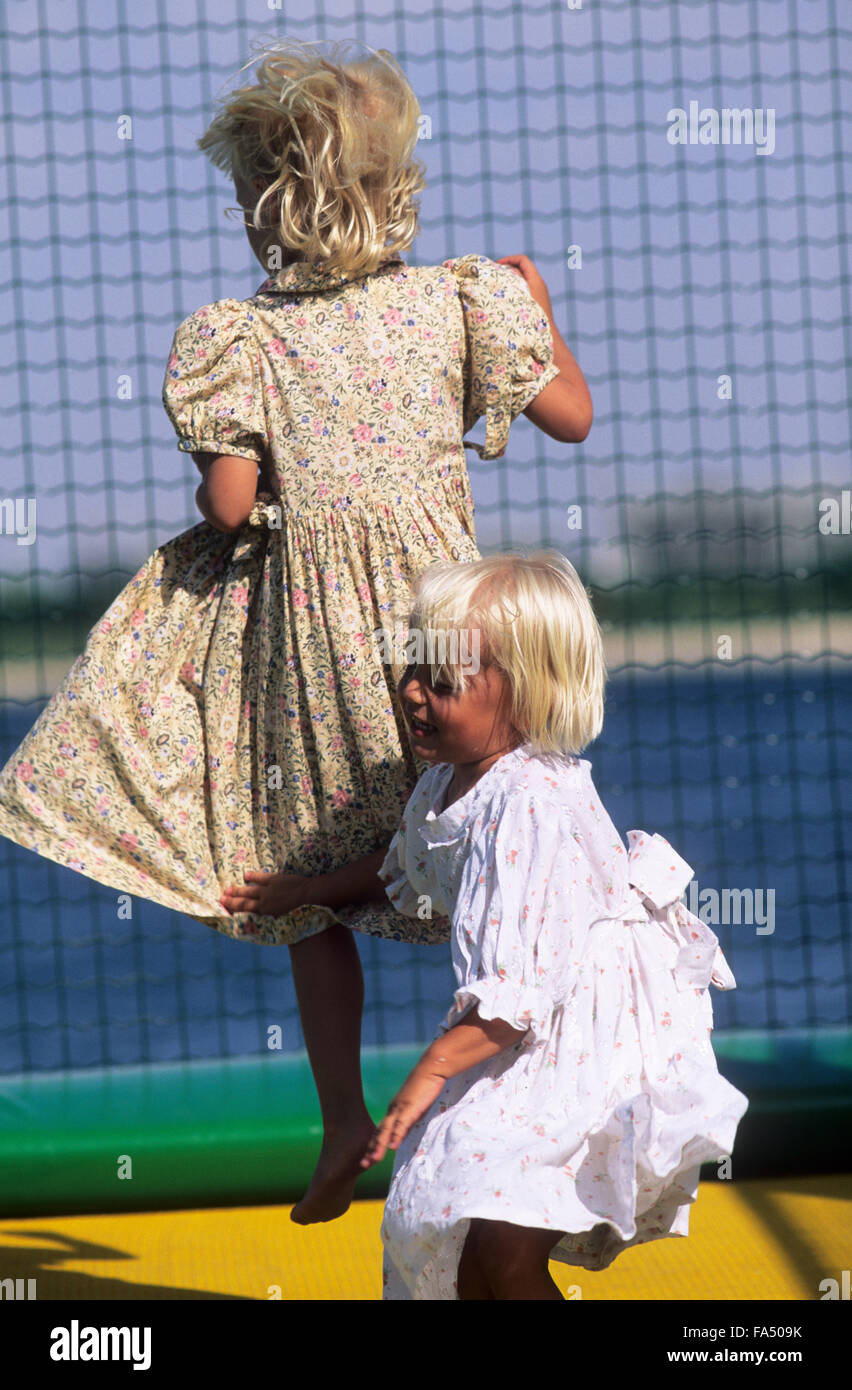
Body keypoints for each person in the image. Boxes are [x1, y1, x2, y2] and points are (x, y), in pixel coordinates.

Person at [0, 38, 593, 1225]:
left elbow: (229, 505)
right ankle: (515, 1081)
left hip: (317, 649)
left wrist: (253, 476)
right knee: (487, 846)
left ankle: (339, 1117)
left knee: (310, 894)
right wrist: (537, 308)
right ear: (393, 190)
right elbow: (571, 416)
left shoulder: (245, 339)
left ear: (272, 211)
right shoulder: (459, 299)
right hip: (442, 634)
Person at [349, 548, 749, 1299]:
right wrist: (307, 890)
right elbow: (402, 865)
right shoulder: (449, 776)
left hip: (583, 1039)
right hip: (530, 1032)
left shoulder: (530, 799)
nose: (410, 694)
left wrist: (431, 1071)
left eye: (440, 683)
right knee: (476, 1239)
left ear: (525, 700)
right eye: (411, 671)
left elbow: (522, 986)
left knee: (492, 1238)